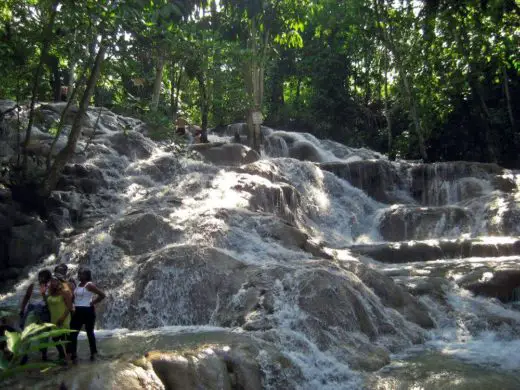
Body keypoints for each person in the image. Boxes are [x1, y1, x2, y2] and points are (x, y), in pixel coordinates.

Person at [69, 268, 106, 363]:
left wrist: (93, 302)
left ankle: (93, 353)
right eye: (79, 273)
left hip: (87, 311)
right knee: (73, 333)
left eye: (82, 274)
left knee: (89, 333)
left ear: (87, 275)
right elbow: (75, 298)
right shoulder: (78, 285)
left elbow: (102, 295)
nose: (79, 275)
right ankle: (73, 354)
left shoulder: (89, 285)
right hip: (77, 310)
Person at [19, 269, 52, 362]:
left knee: (44, 333)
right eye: (40, 276)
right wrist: (22, 309)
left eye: (44, 277)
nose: (41, 278)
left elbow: (50, 302)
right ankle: (24, 355)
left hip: (44, 311)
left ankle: (44, 354)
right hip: (32, 310)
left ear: (48, 278)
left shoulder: (50, 287)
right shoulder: (33, 286)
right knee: (27, 332)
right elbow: (26, 297)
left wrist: (43, 293)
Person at [44, 275, 74, 364]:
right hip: (53, 318)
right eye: (51, 281)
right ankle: (62, 354)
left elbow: (69, 307)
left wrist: (62, 318)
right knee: (55, 338)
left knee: (65, 339)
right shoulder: (50, 292)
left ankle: (68, 359)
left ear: (59, 282)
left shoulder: (65, 292)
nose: (53, 283)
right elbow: (47, 303)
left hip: (63, 318)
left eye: (55, 281)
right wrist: (43, 294)